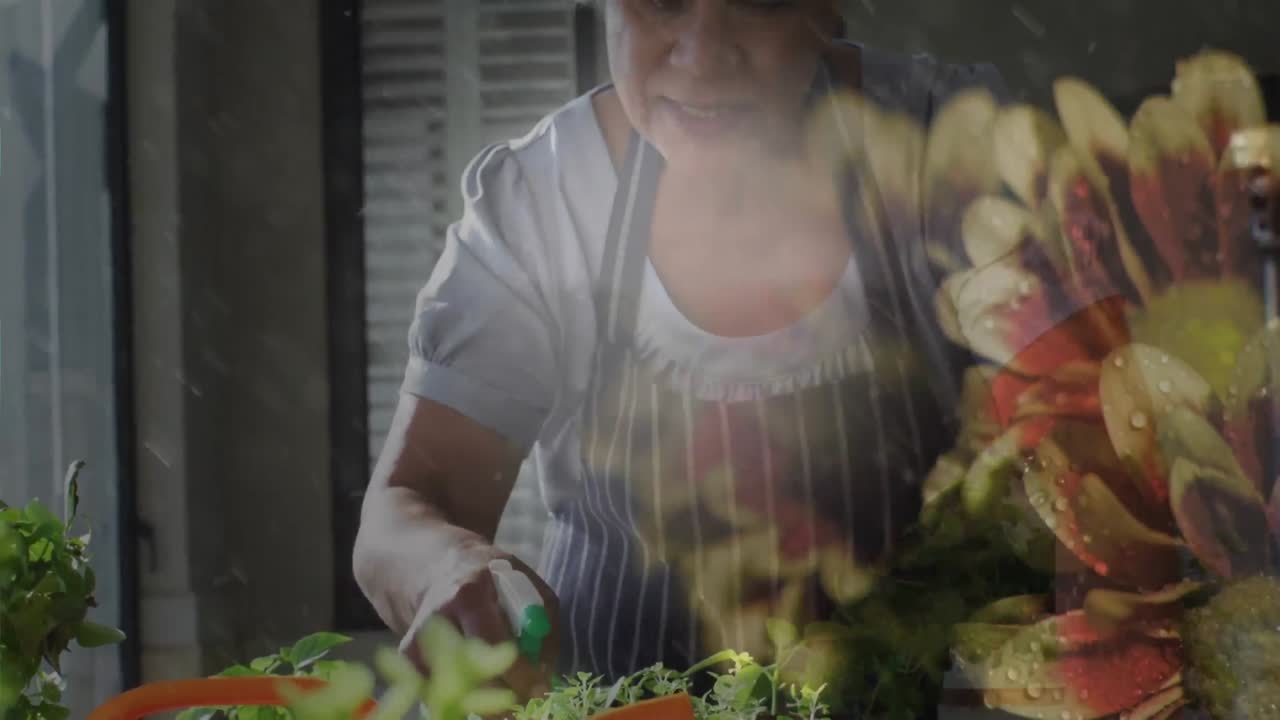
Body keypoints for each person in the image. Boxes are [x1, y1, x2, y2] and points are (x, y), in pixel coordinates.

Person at [353, 0, 1004, 701]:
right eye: (661, 2)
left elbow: (1094, 444)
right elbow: (406, 508)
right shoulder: (545, 203)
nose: (701, 53)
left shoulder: (954, 145)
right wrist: (447, 570)